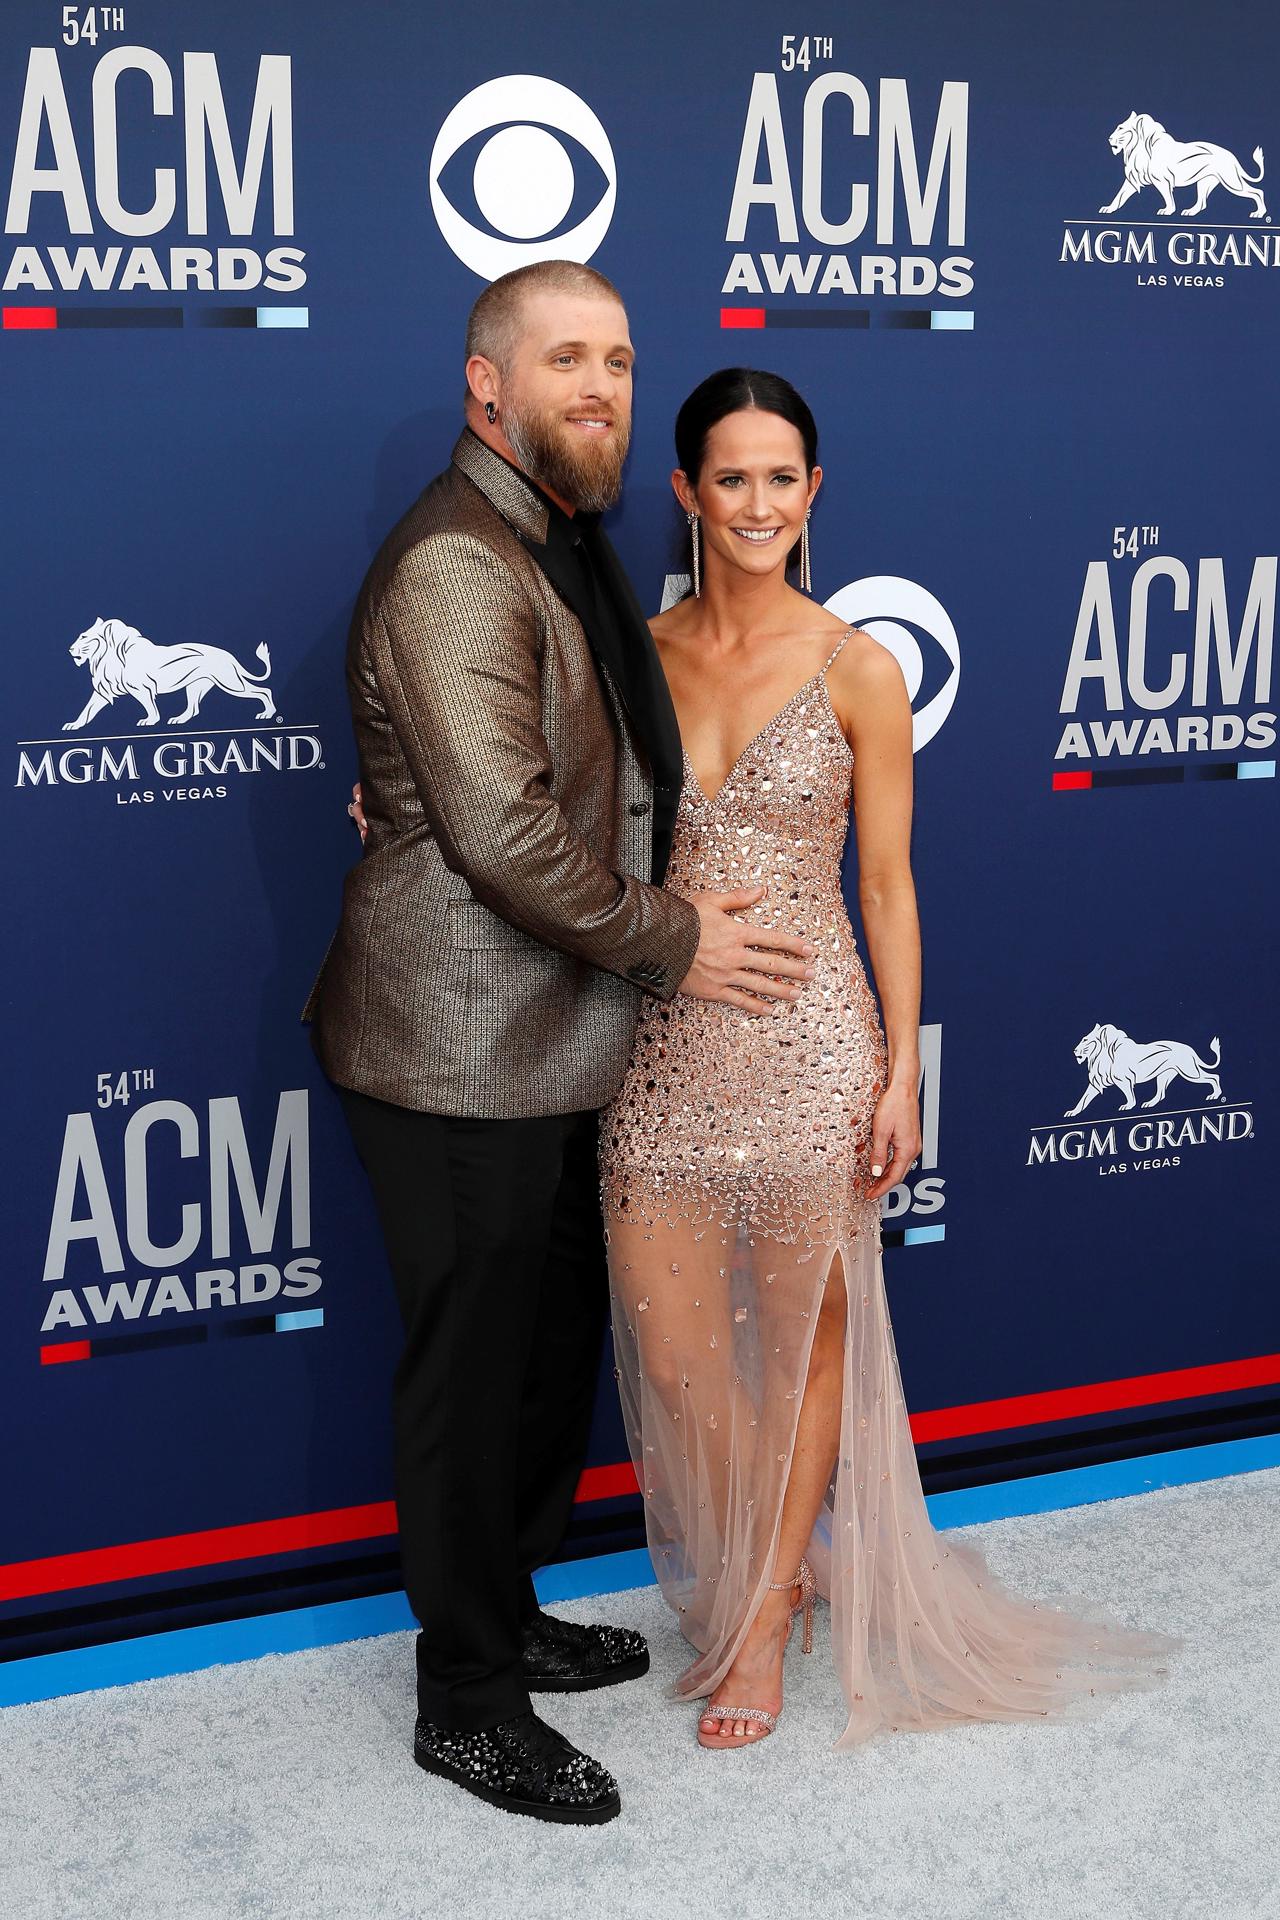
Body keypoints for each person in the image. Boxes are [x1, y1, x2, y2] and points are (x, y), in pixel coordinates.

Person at [599, 367, 1184, 1750]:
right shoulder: (632, 649)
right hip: (660, 1044)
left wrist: (900, 1071)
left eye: (781, 477)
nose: (757, 503)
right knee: (677, 1351)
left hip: (811, 1040)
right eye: (728, 478)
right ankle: (762, 1564)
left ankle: (762, 1614)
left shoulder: (860, 665)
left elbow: (890, 889)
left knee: (805, 1337)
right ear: (685, 493)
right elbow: (552, 818)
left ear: (815, 493)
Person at [303, 266, 816, 1824]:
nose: (599, 385)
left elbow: (565, 768)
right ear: (487, 387)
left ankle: (507, 1612)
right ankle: (463, 1699)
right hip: (454, 1047)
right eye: (565, 361)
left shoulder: (560, 533)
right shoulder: (460, 562)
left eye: (618, 360)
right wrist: (686, 942)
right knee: (470, 1380)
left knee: (533, 1365)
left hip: (550, 1041)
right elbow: (510, 835)